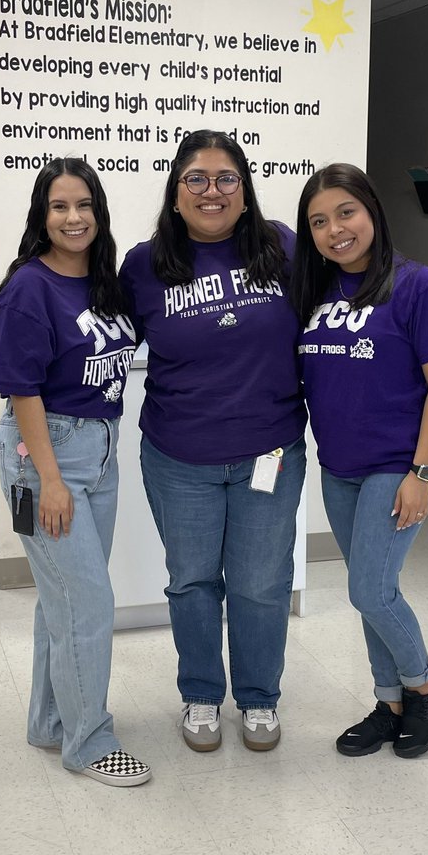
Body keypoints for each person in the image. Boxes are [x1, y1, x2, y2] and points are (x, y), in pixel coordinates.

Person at [119, 131, 306, 753]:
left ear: (245, 192)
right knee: (192, 581)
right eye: (195, 179)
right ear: (176, 193)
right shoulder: (144, 265)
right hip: (178, 458)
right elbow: (96, 332)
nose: (212, 191)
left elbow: (339, 306)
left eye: (227, 178)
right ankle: (200, 693)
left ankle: (258, 698)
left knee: (261, 583)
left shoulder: (282, 247)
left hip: (269, 452)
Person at [290, 163, 428, 758]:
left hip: (400, 464)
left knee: (369, 591)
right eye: (319, 221)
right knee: (373, 587)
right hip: (340, 466)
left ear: (371, 212)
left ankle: (426, 688)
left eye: (346, 213)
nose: (335, 230)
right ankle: (388, 703)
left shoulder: (417, 285)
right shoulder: (314, 291)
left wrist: (422, 473)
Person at [0, 158, 151, 787]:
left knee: (65, 599)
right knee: (88, 602)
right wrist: (50, 481)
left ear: (98, 213)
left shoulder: (104, 282)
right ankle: (89, 742)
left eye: (84, 205)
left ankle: (50, 721)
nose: (73, 217)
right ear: (42, 215)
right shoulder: (29, 288)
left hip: (100, 450)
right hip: (45, 457)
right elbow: (21, 390)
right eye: (59, 206)